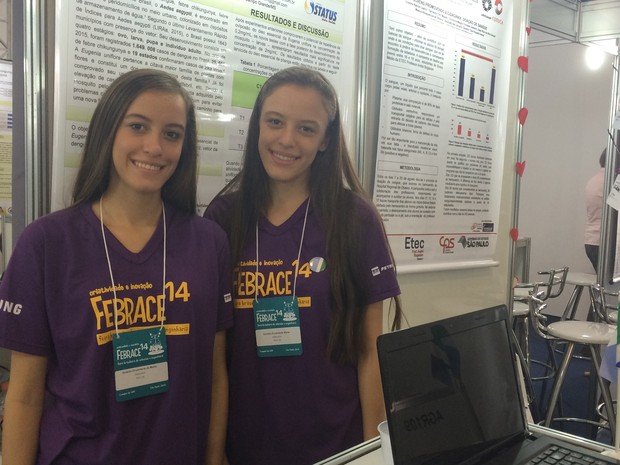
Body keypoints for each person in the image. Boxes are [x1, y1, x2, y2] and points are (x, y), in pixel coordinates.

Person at [0, 69, 233, 465]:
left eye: (172, 134)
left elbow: (214, 375)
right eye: (138, 126)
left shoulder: (208, 242)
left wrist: (214, 458)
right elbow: (23, 395)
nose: (154, 147)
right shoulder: (48, 243)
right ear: (109, 130)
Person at [204, 66, 403, 465]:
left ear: (326, 139)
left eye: (306, 129)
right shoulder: (223, 218)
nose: (286, 140)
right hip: (246, 446)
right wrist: (215, 452)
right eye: (275, 122)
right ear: (258, 125)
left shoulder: (354, 219)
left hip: (337, 446)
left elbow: (370, 354)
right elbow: (214, 359)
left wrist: (372, 453)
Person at [584, 148, 606, 272]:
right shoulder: (611, 181)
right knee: (611, 288)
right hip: (604, 243)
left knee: (606, 287)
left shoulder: (593, 180)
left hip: (593, 241)